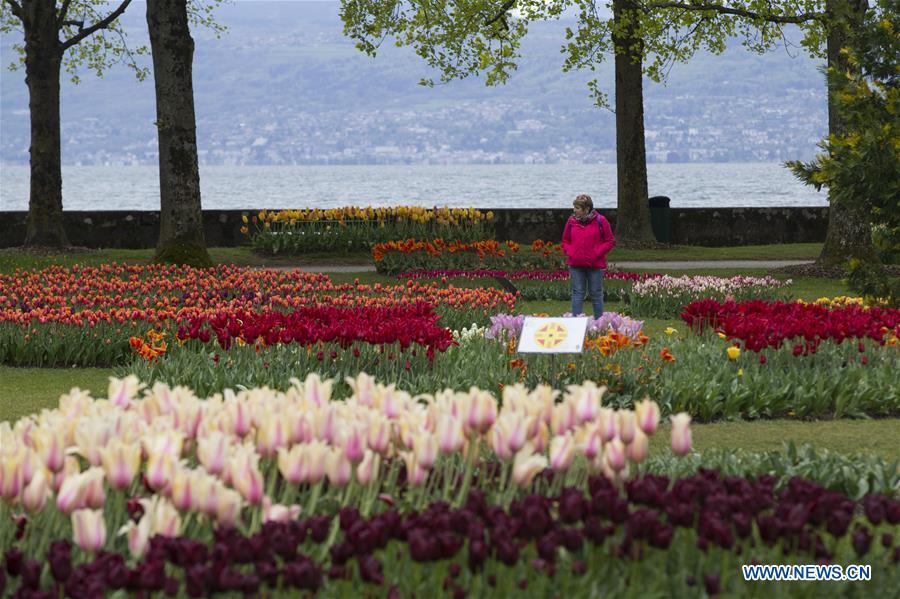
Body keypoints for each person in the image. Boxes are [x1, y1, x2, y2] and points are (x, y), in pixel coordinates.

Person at [561, 194, 615, 316]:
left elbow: (610, 241)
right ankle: (576, 322)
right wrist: (571, 252)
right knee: (577, 293)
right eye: (574, 207)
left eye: (577, 208)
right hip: (575, 265)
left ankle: (599, 322)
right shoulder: (571, 222)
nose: (574, 210)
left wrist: (596, 253)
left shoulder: (601, 221)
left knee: (596, 293)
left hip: (595, 265)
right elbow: (565, 240)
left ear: (586, 209)